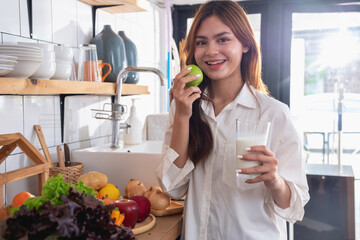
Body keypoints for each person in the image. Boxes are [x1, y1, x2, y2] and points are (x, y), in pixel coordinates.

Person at [156, 1, 310, 239]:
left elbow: (294, 208)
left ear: (245, 44)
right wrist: (182, 116)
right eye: (201, 42)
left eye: (223, 39)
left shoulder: (273, 113)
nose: (211, 51)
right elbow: (172, 188)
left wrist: (275, 180)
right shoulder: (185, 105)